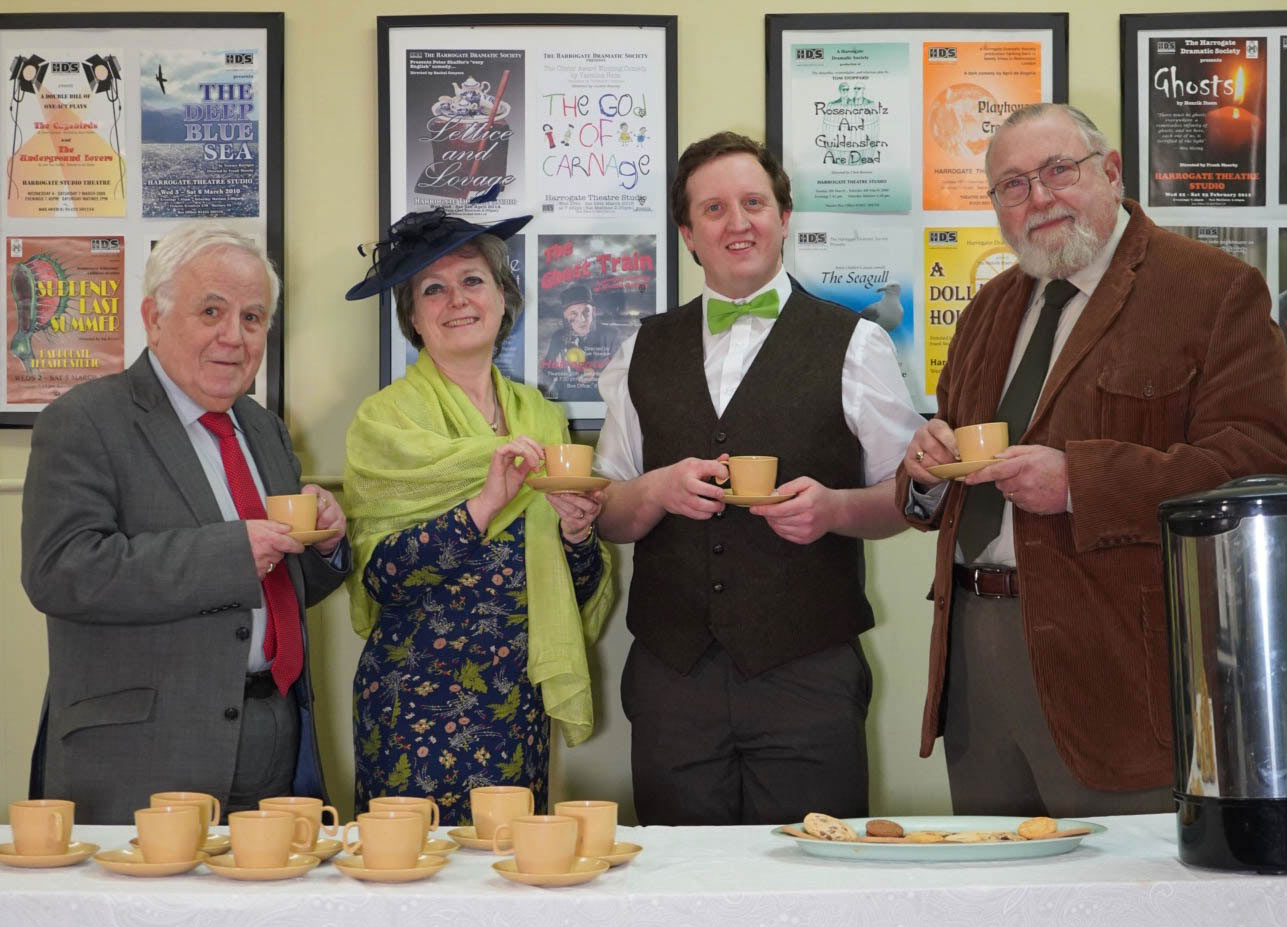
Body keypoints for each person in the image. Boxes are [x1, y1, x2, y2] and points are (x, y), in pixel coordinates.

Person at [898, 103, 1287, 817]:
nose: (1038, 198)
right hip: (974, 659)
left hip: (1114, 666)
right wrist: (922, 472)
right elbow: (939, 465)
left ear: (1109, 172)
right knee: (994, 898)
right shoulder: (986, 307)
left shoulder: (1209, 289)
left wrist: (1080, 482)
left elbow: (1258, 459)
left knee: (1122, 897)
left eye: (1057, 171)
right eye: (1012, 185)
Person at [594, 131, 923, 825]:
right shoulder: (639, 349)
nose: (736, 222)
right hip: (669, 677)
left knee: (815, 883)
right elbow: (608, 512)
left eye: (752, 203)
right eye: (713, 209)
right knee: (683, 889)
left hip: (807, 673)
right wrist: (653, 491)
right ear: (687, 232)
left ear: (783, 216)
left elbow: (905, 498)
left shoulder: (855, 342)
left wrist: (834, 509)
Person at [21, 223, 351, 824]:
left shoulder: (264, 429)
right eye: (211, 311)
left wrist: (324, 547)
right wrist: (230, 555)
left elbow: (280, 584)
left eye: (253, 318)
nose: (234, 336)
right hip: (143, 757)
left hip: (274, 746)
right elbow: (60, 572)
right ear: (153, 317)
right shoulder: (83, 421)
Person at [343, 209, 615, 824]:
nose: (456, 300)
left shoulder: (542, 421)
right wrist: (484, 504)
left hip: (514, 705)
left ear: (502, 297)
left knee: (510, 883)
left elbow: (571, 590)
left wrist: (576, 534)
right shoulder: (385, 422)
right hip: (414, 709)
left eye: (472, 280)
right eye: (432, 289)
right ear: (412, 317)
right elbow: (380, 578)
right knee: (410, 892)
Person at [540, 283, 619, 402]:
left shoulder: (611, 335)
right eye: (574, 314)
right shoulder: (558, 337)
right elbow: (547, 369)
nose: (582, 319)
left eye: (586, 312)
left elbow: (621, 370)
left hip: (600, 400)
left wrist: (597, 374)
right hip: (567, 400)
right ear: (565, 316)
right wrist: (559, 367)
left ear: (594, 312)